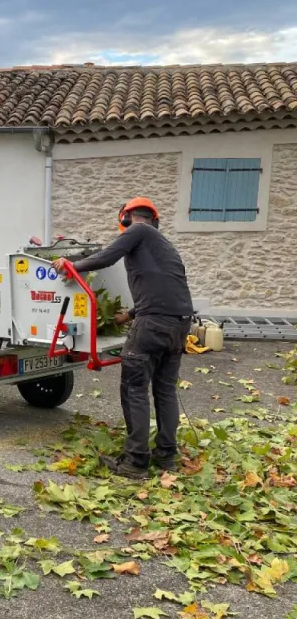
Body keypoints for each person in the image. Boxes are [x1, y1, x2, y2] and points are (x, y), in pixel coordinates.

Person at [52, 197, 193, 479]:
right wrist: (127, 316)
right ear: (156, 219)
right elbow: (162, 291)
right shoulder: (166, 247)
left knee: (134, 387)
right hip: (180, 323)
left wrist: (71, 264)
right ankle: (167, 457)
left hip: (153, 325)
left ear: (126, 219)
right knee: (165, 391)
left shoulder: (137, 231)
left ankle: (135, 462)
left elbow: (106, 257)